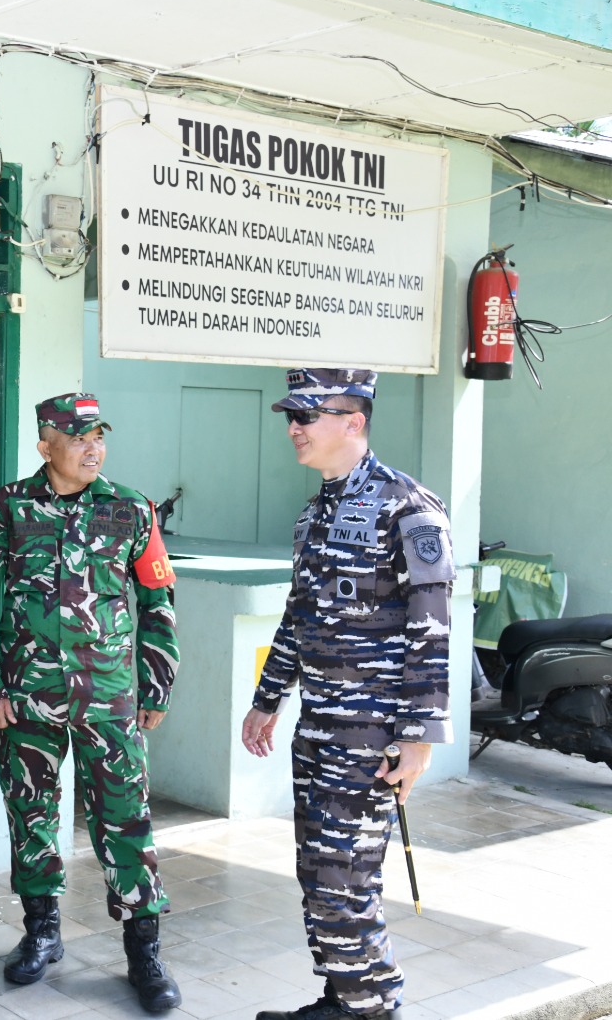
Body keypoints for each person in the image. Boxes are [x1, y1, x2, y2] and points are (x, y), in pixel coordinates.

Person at [0, 391, 181, 1011]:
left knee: (125, 820)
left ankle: (144, 952)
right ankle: (41, 932)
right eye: (78, 438)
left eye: (98, 437)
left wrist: (156, 683)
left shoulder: (132, 508)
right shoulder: (7, 508)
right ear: (45, 446)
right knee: (31, 815)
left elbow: (158, 603)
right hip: (27, 700)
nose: (92, 449)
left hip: (108, 699)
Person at [243, 368, 453, 1020]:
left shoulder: (408, 507)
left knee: (345, 878)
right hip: (319, 725)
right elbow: (298, 613)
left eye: (307, 416)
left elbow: (432, 627)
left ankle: (372, 1007)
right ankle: (345, 996)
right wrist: (268, 698)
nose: (294, 429)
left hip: (371, 733)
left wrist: (418, 739)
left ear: (354, 421)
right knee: (318, 872)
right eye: (291, 417)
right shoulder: (315, 513)